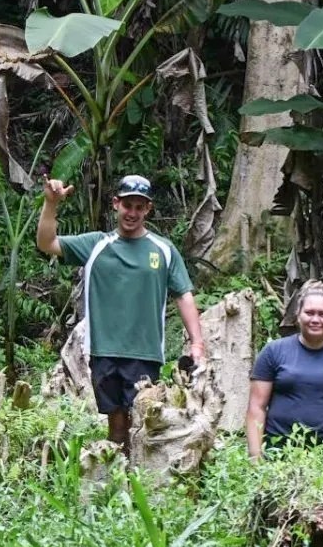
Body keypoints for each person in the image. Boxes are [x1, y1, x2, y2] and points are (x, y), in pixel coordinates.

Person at [38, 173, 203, 449]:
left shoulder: (163, 250)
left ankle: (146, 482)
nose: (132, 213)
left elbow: (183, 295)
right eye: (128, 205)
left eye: (140, 207)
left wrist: (197, 342)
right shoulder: (96, 245)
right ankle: (117, 480)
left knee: (145, 420)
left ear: (148, 209)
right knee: (115, 425)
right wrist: (51, 203)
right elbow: (47, 243)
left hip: (145, 352)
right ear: (116, 204)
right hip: (104, 350)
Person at [246, 281, 323, 457]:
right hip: (280, 456)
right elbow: (256, 409)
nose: (315, 319)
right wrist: (255, 457)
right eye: (309, 313)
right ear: (298, 315)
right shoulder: (273, 352)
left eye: (322, 314)